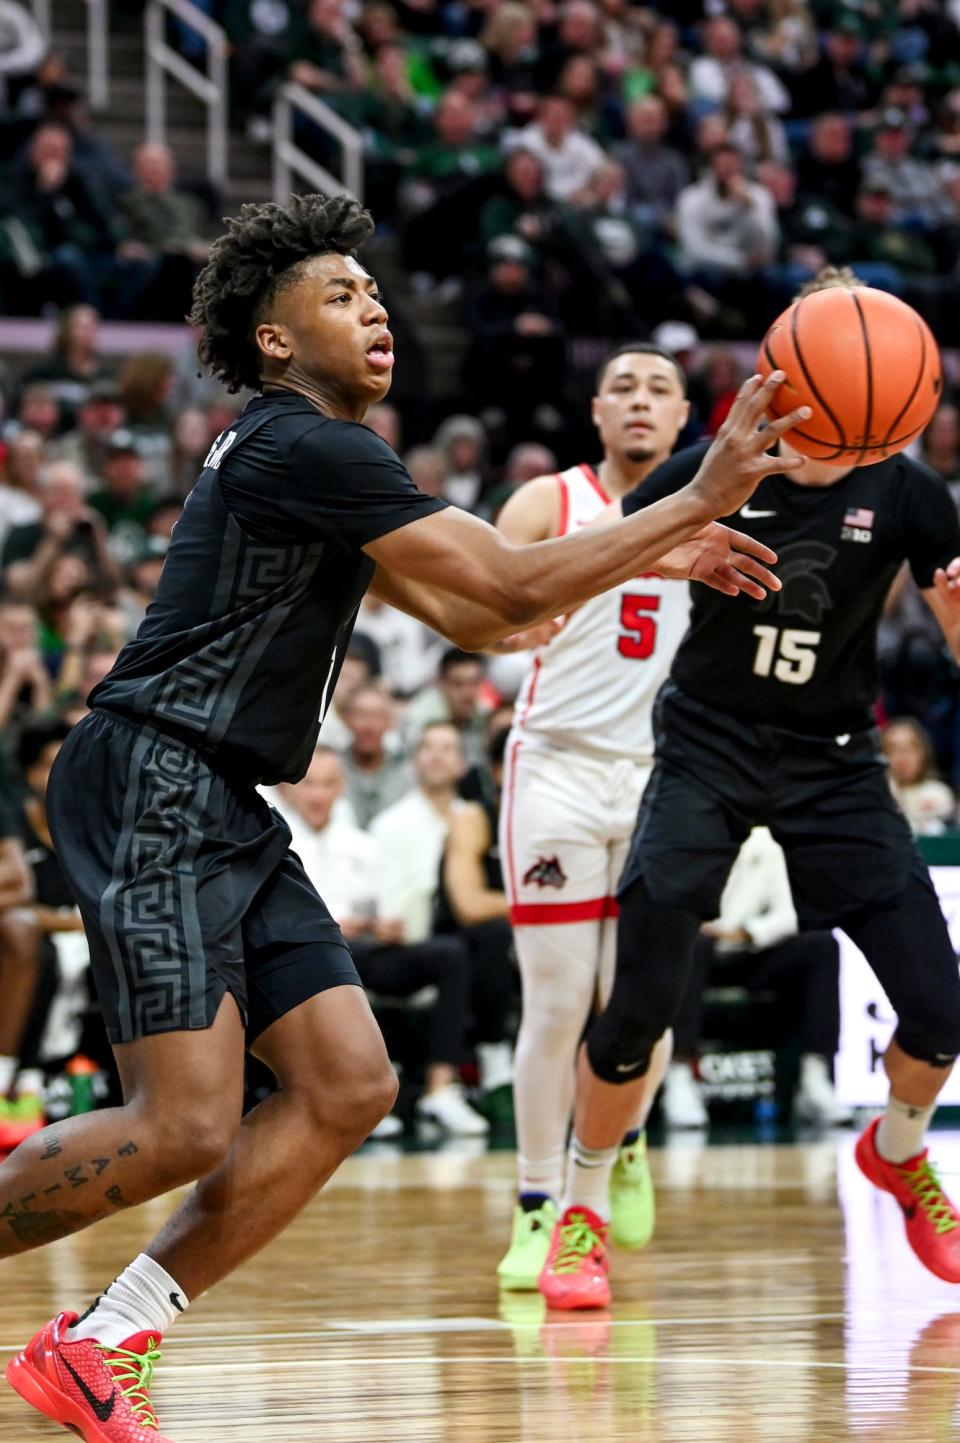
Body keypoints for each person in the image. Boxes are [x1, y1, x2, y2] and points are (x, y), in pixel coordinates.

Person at [0, 190, 801, 1443]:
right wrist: (693, 502)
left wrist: (647, 552)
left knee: (347, 1084)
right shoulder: (299, 443)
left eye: (374, 294)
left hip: (218, 795)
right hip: (154, 772)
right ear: (273, 338)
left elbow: (491, 621)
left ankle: (101, 1342)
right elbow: (512, 578)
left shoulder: (325, 466)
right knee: (185, 1123)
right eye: (338, 296)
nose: (372, 309)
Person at [547, 268, 960, 1311]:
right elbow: (600, 557)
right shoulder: (719, 462)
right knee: (639, 999)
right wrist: (668, 552)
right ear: (787, 371)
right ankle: (579, 1209)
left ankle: (898, 1152)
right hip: (708, 743)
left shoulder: (909, 491)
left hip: (832, 756)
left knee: (944, 1012)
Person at [492, 341, 692, 1296]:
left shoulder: (717, 506)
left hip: (665, 776)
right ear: (599, 414)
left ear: (687, 416)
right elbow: (478, 598)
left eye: (660, 388)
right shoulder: (550, 502)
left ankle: (611, 1158)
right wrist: (508, 616)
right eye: (624, 387)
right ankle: (537, 1203)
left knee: (639, 1000)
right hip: (560, 770)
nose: (641, 400)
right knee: (560, 1003)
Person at [272, 746, 484, 1137]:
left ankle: (440, 1088)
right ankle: (351, 1095)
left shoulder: (362, 843)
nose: (318, 794)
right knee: (327, 955)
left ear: (342, 787)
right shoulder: (273, 839)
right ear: (291, 789)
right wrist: (337, 921)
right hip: (304, 958)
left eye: (328, 784)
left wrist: (387, 924)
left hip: (365, 950)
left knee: (450, 955)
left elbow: (389, 903)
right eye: (309, 784)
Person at [665, 827, 851, 1130]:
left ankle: (815, 1076)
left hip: (747, 947)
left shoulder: (766, 841)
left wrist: (749, 932)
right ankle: (679, 1075)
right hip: (691, 947)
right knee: (693, 946)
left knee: (822, 943)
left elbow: (791, 912)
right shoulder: (687, 833)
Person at [882, 716, 957, 836]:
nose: (902, 757)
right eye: (893, 749)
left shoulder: (939, 794)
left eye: (910, 748)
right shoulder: (875, 796)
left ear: (923, 752)